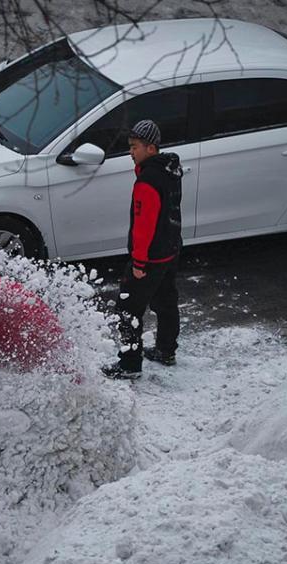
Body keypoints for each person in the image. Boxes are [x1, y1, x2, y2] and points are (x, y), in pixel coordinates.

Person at [102, 120, 184, 380]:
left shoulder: (147, 181)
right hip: (170, 249)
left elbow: (143, 226)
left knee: (127, 310)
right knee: (166, 303)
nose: (131, 152)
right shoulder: (170, 170)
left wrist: (138, 263)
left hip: (150, 257)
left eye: (135, 147)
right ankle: (166, 350)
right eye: (130, 147)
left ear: (151, 148)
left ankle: (129, 364)